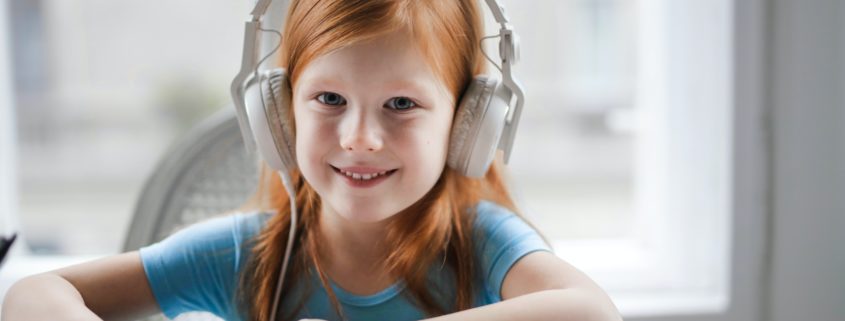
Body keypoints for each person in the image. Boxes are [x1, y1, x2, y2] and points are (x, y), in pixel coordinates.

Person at [2, 0, 621, 320]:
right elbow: (34, 293)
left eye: (401, 103)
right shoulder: (241, 257)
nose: (360, 137)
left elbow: (591, 314)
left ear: (466, 124)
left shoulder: (480, 245)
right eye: (329, 98)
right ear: (279, 111)